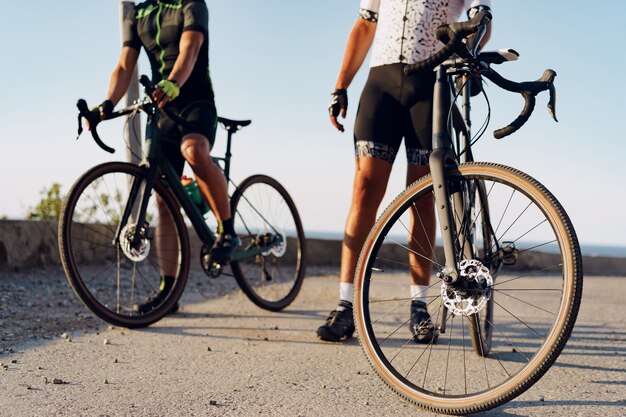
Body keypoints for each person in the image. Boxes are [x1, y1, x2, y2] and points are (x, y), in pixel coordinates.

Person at [317, 0, 491, 343]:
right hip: (380, 83)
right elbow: (365, 25)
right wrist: (340, 86)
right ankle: (345, 304)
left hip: (431, 82)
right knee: (365, 189)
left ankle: (419, 306)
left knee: (424, 198)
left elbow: (481, 19)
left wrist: (469, 50)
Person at [90, 0, 239, 312]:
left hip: (194, 100)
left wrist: (173, 82)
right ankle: (168, 292)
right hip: (161, 106)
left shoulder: (192, 4)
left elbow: (191, 48)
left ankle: (227, 231)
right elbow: (124, 65)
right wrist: (106, 104)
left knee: (194, 150)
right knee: (162, 199)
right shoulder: (139, 13)